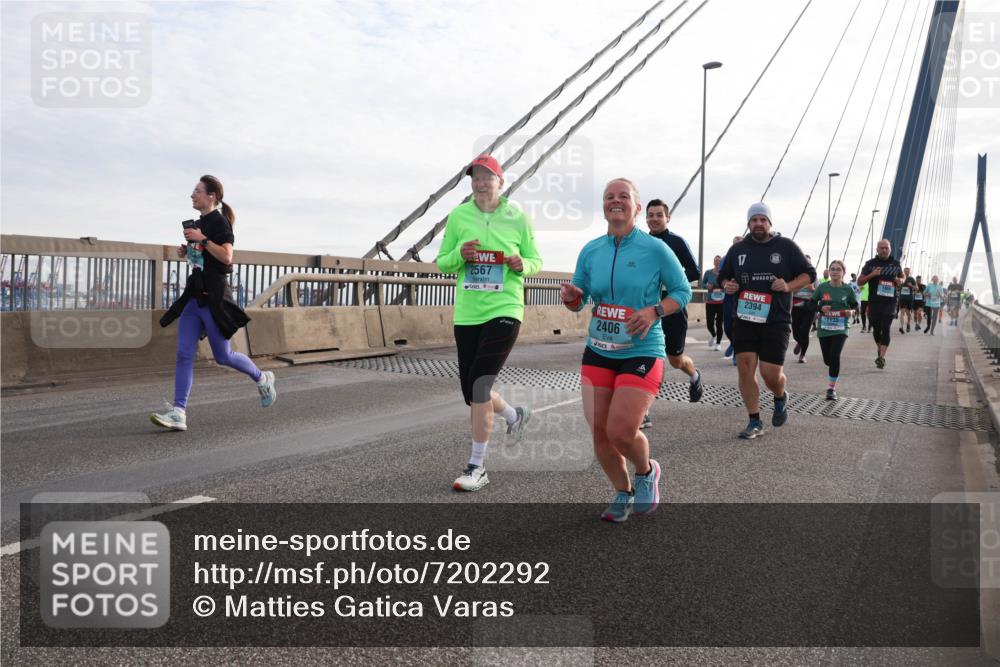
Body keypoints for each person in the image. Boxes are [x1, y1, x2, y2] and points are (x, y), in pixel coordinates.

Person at [561, 178, 691, 522]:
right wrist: (574, 298)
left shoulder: (656, 249)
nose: (615, 201)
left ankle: (647, 471)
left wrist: (654, 311)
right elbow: (582, 297)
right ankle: (622, 491)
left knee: (621, 430)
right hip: (600, 348)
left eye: (623, 197)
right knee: (600, 432)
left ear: (636, 207)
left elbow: (682, 292)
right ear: (604, 206)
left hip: (641, 350)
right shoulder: (591, 250)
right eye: (608, 197)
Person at [435, 155, 542, 492]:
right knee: (471, 392)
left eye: (487, 177)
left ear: (501, 181)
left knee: (480, 385)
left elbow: (536, 260)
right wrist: (460, 255)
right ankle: (514, 415)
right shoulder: (458, 216)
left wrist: (520, 264)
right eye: (475, 178)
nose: (481, 183)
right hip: (468, 312)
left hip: (505, 307)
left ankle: (476, 466)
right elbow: (442, 263)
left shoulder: (518, 218)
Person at [151, 175, 276, 431]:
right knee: (184, 354)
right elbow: (203, 260)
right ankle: (179, 412)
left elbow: (227, 256)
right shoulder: (197, 224)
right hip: (194, 297)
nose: (192, 195)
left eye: (197, 191)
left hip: (214, 299)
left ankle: (262, 378)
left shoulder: (219, 223)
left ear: (211, 196)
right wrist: (189, 252)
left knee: (223, 355)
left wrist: (204, 240)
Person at [717, 202, 816, 439]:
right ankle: (754, 421)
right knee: (745, 370)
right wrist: (727, 285)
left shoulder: (786, 247)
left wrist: (788, 285)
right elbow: (722, 277)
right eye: (754, 220)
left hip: (776, 320)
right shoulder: (738, 250)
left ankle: (780, 395)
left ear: (770, 223)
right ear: (749, 223)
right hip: (745, 318)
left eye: (763, 220)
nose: (758, 224)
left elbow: (809, 274)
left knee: (770, 373)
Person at [644, 198, 703, 403]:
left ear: (668, 217)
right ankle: (644, 410)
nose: (654, 219)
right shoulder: (641, 242)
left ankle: (694, 375)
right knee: (648, 358)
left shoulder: (676, 242)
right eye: (651, 215)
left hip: (673, 308)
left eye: (659, 215)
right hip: (646, 309)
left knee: (675, 360)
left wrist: (671, 281)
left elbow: (695, 271)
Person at [811, 260, 858, 400]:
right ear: (829, 272)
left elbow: (855, 306)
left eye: (838, 269)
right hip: (824, 328)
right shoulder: (822, 287)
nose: (835, 272)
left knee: (835, 355)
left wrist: (852, 312)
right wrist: (820, 308)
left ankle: (831, 389)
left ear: (843, 272)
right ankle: (833, 369)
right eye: (832, 269)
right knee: (828, 360)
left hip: (841, 328)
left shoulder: (848, 289)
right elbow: (811, 304)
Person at [857, 240, 903, 369]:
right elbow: (860, 282)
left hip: (890, 301)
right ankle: (880, 349)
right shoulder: (870, 264)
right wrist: (872, 274)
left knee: (886, 327)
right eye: (881, 248)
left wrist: (900, 280)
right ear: (877, 249)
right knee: (877, 329)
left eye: (886, 248)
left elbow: (902, 277)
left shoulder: (896, 264)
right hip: (874, 301)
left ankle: (881, 357)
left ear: (890, 249)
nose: (884, 250)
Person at [720, 235, 744, 363]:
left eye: (740, 243)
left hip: (744, 295)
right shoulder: (726, 258)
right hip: (730, 294)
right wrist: (726, 283)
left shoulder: (750, 256)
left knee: (741, 325)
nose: (737, 246)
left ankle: (737, 351)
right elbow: (721, 276)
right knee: (728, 325)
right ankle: (733, 342)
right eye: (735, 243)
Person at [791, 256, 817, 364]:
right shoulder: (794, 276)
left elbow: (819, 294)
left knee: (805, 331)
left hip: (809, 306)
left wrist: (813, 289)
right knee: (796, 332)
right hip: (796, 305)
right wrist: (796, 287)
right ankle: (800, 341)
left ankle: (802, 355)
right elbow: (788, 290)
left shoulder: (814, 278)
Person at [702, 255, 725, 351]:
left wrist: (724, 286)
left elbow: (728, 283)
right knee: (709, 323)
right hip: (710, 301)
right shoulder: (708, 273)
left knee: (719, 323)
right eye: (716, 261)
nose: (717, 263)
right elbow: (702, 284)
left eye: (719, 261)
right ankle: (713, 335)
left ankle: (718, 343)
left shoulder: (724, 273)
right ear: (713, 262)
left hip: (721, 302)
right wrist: (707, 286)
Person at [898, 267, 916, 333]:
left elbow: (916, 288)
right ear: (903, 271)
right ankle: (901, 327)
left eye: (907, 271)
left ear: (909, 272)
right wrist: (898, 283)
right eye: (905, 271)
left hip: (909, 298)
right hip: (902, 298)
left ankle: (908, 324)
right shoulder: (901, 278)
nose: (906, 272)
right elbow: (898, 287)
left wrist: (911, 286)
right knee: (902, 312)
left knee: (908, 313)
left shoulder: (911, 279)